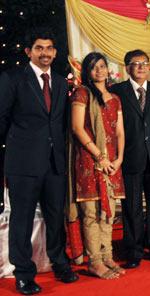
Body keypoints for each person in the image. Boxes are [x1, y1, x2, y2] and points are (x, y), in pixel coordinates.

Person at [0, 28, 79, 294]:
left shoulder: (59, 81)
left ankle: (60, 263)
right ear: (28, 52)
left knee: (55, 218)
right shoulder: (12, 79)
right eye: (39, 48)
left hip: (54, 163)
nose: (45, 53)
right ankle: (23, 273)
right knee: (21, 220)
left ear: (55, 52)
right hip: (22, 164)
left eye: (49, 48)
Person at [110, 50, 150, 269]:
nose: (141, 67)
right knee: (132, 208)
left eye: (144, 63)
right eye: (135, 64)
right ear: (127, 68)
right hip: (129, 159)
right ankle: (133, 252)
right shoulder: (116, 91)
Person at [70, 52, 126, 279]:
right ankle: (94, 261)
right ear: (87, 71)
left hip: (112, 162)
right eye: (94, 67)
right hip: (89, 161)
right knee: (92, 213)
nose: (99, 71)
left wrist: (118, 158)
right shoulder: (82, 93)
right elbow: (77, 128)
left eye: (102, 66)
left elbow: (120, 131)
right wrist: (99, 157)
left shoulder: (114, 97)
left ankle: (107, 257)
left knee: (109, 213)